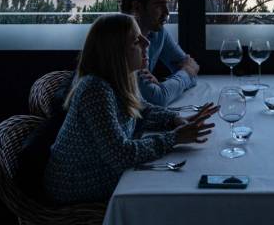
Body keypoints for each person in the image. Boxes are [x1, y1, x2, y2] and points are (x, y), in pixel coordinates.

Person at [44, 13, 217, 204]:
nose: (147, 43)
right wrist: (174, 137)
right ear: (116, 51)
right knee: (171, 190)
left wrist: (174, 119)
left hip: (101, 168)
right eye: (136, 41)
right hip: (76, 183)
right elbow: (122, 155)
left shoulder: (120, 77)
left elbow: (141, 110)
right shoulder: (95, 89)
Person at [120, 0, 201, 106]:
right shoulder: (120, 41)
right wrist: (184, 74)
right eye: (159, 5)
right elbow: (158, 98)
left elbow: (191, 67)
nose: (167, 12)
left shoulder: (157, 32)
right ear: (137, 7)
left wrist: (167, 84)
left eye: (166, 4)